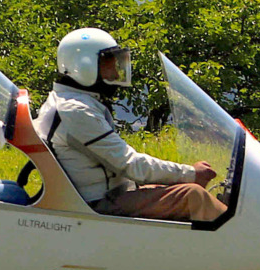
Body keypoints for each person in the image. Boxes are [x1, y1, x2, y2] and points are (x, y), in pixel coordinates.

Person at [37, 27, 227, 223]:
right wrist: (191, 174)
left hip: (111, 194)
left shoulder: (71, 101)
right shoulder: (76, 111)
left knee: (179, 189)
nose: (116, 71)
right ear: (84, 66)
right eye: (109, 64)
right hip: (98, 204)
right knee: (193, 196)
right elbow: (130, 165)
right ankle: (246, 246)